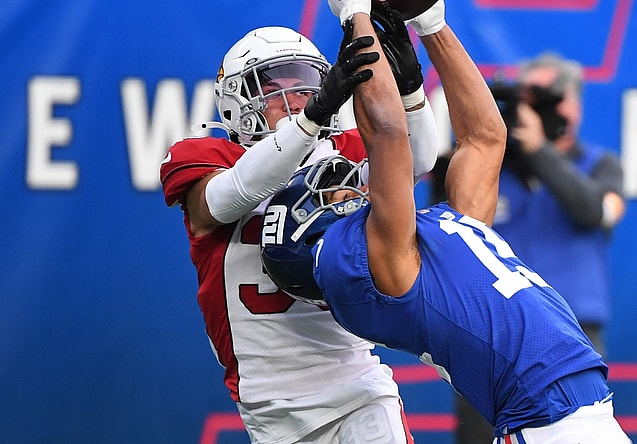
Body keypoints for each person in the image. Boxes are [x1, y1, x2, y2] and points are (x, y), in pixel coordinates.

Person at [261, 2, 632, 442]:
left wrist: (432, 24)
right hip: (545, 419)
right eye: (330, 195)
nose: (347, 192)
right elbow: (387, 136)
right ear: (311, 235)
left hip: (577, 404)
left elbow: (484, 138)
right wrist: (355, 14)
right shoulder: (376, 264)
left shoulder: (431, 243)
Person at [160, 22, 438, 443]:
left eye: (307, 88)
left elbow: (417, 161)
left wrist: (412, 89)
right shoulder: (208, 156)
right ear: (236, 99)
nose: (294, 101)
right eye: (275, 89)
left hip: (358, 378)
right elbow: (225, 198)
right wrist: (313, 116)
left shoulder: (341, 151)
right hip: (271, 399)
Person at [450, 55, 628, 443]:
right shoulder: (493, 166)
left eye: (546, 98)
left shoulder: (601, 165)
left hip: (573, 335)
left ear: (573, 105)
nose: (532, 109)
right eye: (526, 99)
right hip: (492, 336)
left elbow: (592, 212)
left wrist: (539, 149)